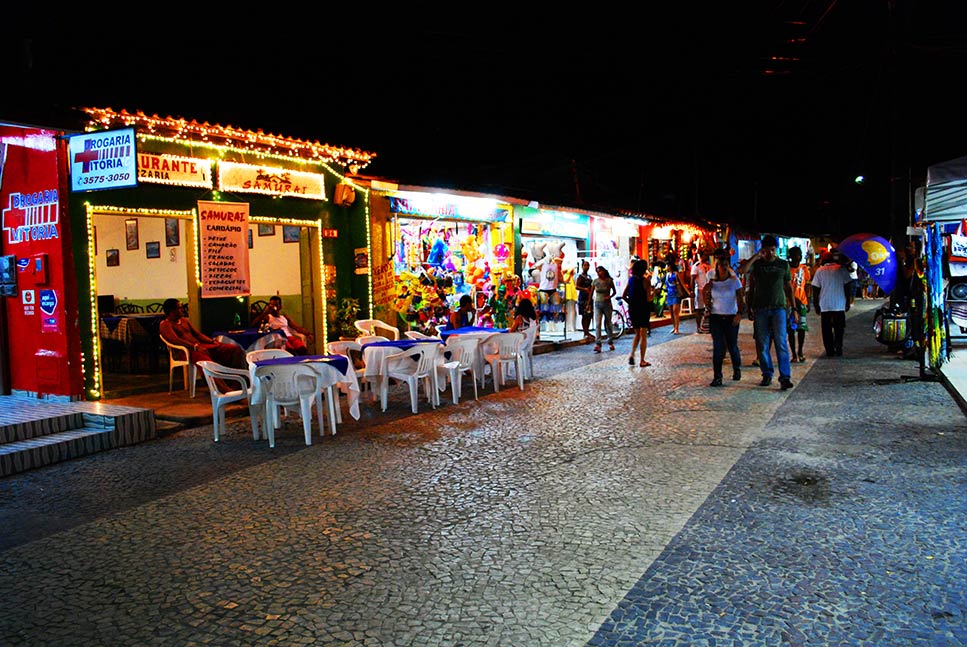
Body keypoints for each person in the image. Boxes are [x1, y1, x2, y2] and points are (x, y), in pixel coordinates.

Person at [746, 235, 797, 390]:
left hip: (779, 308)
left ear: (776, 250)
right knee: (762, 343)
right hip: (760, 308)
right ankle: (767, 373)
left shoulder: (783, 265)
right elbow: (744, 271)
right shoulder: (757, 265)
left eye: (772, 250)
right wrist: (756, 256)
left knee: (781, 343)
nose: (770, 253)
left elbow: (789, 287)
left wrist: (794, 308)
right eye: (767, 250)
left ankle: (785, 377)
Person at [159, 298, 247, 370]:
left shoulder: (185, 320)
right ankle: (217, 384)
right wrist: (195, 347)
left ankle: (235, 377)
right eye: (180, 308)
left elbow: (198, 334)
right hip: (186, 351)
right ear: (172, 311)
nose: (183, 310)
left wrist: (212, 341)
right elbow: (176, 340)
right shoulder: (166, 325)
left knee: (234, 349)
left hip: (199, 346)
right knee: (206, 361)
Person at [703, 248, 744, 386]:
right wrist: (707, 304)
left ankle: (737, 369)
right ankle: (717, 376)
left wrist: (739, 314)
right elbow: (705, 293)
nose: (724, 268)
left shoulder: (734, 281)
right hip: (716, 317)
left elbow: (740, 298)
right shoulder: (712, 280)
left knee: (732, 345)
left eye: (726, 265)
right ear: (717, 266)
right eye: (721, 265)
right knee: (718, 347)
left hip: (731, 316)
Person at [811, 252, 853, 357]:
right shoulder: (842, 269)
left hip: (825, 305)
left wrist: (816, 304)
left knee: (826, 329)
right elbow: (848, 286)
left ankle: (829, 350)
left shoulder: (820, 271)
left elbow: (815, 289)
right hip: (839, 304)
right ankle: (838, 347)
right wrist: (848, 301)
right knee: (839, 328)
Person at [622, 259, 653, 367]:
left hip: (633, 309)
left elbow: (623, 295)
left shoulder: (631, 280)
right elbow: (648, 299)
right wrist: (655, 293)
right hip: (643, 309)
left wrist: (631, 303)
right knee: (643, 334)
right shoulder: (646, 281)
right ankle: (642, 360)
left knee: (637, 334)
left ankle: (632, 354)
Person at [786, 246, 811, 363]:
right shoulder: (787, 269)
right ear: (791, 256)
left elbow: (807, 286)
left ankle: (800, 351)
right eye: (796, 255)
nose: (798, 257)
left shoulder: (804, 269)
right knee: (791, 329)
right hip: (789, 303)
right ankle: (794, 354)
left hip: (802, 302)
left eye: (799, 255)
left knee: (801, 328)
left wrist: (808, 301)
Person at [591, 265, 617, 352]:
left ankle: (610, 341)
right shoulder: (595, 281)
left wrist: (609, 296)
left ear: (604, 271)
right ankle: (598, 343)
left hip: (607, 304)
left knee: (608, 323)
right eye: (597, 272)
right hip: (597, 303)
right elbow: (591, 293)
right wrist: (589, 303)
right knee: (598, 324)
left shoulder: (609, 281)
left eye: (600, 271)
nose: (599, 273)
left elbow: (614, 291)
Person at [664, 260, 688, 334]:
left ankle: (677, 328)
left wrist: (688, 292)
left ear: (670, 266)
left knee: (675, 311)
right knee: (671, 312)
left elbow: (682, 284)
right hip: (669, 294)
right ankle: (674, 327)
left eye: (666, 265)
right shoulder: (667, 275)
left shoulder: (676, 274)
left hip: (676, 294)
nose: (666, 267)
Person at [690, 251, 711, 333]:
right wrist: (692, 291)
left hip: (708, 290)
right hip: (700, 289)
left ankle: (707, 327)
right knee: (699, 309)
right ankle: (698, 327)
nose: (707, 257)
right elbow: (692, 279)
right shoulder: (696, 266)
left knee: (708, 308)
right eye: (705, 255)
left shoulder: (709, 266)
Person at [574, 260, 594, 340]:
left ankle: (587, 331)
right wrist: (584, 289)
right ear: (582, 267)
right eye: (585, 265)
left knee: (589, 315)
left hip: (589, 298)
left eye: (588, 265)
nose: (586, 267)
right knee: (584, 315)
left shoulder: (589, 276)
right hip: (583, 298)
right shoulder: (580, 277)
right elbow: (577, 286)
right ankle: (585, 332)